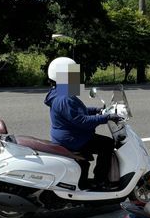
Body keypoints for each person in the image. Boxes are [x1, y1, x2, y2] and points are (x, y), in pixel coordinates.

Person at [44, 57, 119, 190]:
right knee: (107, 144)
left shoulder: (58, 92)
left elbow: (76, 112)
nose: (77, 78)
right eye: (73, 74)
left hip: (68, 135)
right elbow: (82, 121)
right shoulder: (64, 98)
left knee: (102, 143)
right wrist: (105, 118)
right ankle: (100, 181)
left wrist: (97, 110)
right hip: (73, 139)